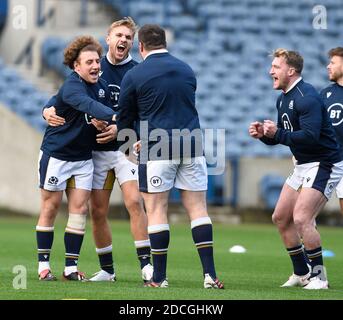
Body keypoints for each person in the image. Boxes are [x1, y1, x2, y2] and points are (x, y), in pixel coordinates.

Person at [43, 17, 153, 283]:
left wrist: (121, 127)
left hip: (126, 146)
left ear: (133, 43)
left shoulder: (138, 72)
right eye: (119, 35)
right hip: (97, 151)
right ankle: (108, 270)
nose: (123, 40)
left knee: (134, 202)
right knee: (99, 211)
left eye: (128, 37)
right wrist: (46, 108)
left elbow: (145, 112)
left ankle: (147, 267)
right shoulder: (93, 66)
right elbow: (65, 92)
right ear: (108, 38)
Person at [115, 24, 224, 289]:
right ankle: (210, 275)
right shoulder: (186, 69)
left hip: (157, 147)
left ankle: (159, 278)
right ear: (165, 42)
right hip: (192, 144)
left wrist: (128, 145)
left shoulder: (135, 74)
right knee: (198, 210)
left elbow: (125, 117)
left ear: (141, 46)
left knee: (156, 210)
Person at [249, 48, 343, 290]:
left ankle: (319, 277)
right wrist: (264, 136)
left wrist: (277, 134)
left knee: (302, 218)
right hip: (302, 164)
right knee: (280, 217)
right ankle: (302, 273)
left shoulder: (307, 96)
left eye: (276, 67)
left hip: (324, 163)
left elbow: (310, 137)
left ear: (291, 71)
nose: (270, 71)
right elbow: (287, 136)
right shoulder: (283, 98)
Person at [37, 36, 115, 281]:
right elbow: (88, 105)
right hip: (57, 155)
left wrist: (105, 121)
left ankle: (70, 267)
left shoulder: (101, 86)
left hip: (83, 159)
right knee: (49, 208)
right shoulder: (72, 86)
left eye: (97, 61)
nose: (95, 66)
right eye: (89, 62)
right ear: (76, 66)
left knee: (79, 210)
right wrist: (118, 117)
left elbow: (55, 102)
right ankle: (43, 266)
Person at [320, 47, 343, 215]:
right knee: (303, 213)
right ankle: (309, 242)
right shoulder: (325, 94)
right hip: (325, 162)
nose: (328, 66)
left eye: (333, 63)